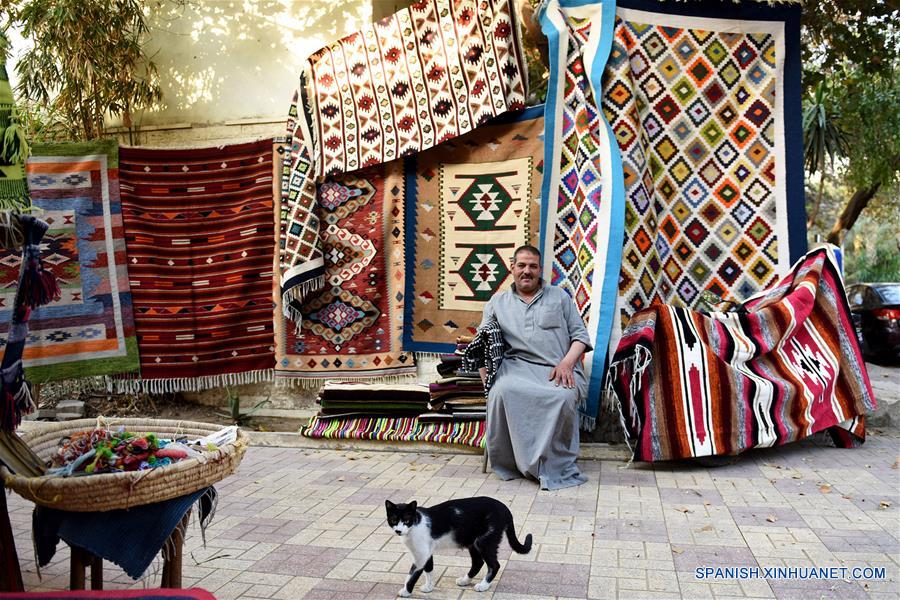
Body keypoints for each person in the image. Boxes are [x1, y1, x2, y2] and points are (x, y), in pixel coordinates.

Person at [477, 244, 591, 490]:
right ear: (512, 268)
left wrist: (567, 363)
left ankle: (552, 465)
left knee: (562, 396)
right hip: (516, 369)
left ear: (540, 270)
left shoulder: (559, 297)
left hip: (557, 369)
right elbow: (482, 344)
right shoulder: (497, 302)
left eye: (532, 266)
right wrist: (488, 382)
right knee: (501, 391)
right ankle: (513, 463)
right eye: (521, 265)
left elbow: (580, 336)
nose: (526, 271)